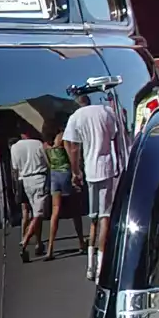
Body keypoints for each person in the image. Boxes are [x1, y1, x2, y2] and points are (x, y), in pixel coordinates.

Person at [63, 94, 129, 280]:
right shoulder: (106, 111)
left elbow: (72, 146)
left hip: (90, 170)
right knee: (104, 218)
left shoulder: (76, 117)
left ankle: (90, 265)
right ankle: (101, 266)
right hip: (107, 167)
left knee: (93, 219)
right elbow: (116, 136)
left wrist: (75, 171)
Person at [43, 121, 84, 259]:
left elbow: (49, 163)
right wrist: (76, 172)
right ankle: (81, 242)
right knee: (75, 211)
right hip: (65, 173)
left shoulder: (46, 144)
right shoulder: (62, 137)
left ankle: (50, 248)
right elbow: (70, 154)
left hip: (54, 176)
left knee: (55, 211)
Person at [8, 123, 49, 259]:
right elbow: (47, 162)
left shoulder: (15, 147)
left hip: (25, 180)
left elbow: (15, 168)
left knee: (33, 212)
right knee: (38, 213)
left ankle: (38, 243)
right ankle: (26, 240)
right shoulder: (37, 144)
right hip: (39, 177)